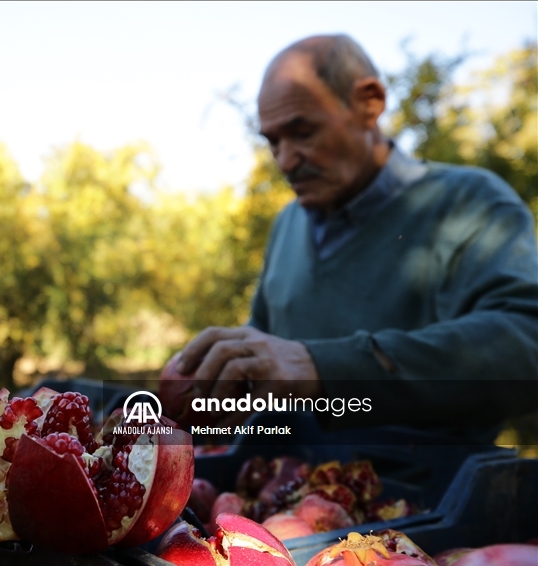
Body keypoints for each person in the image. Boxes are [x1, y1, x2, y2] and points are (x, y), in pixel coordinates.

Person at [174, 34, 538, 437]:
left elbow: (525, 344)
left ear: (370, 103)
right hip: (288, 473)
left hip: (427, 475)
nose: (285, 160)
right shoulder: (288, 224)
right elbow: (265, 345)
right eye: (273, 142)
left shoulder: (470, 204)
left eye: (303, 132)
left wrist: (322, 367)